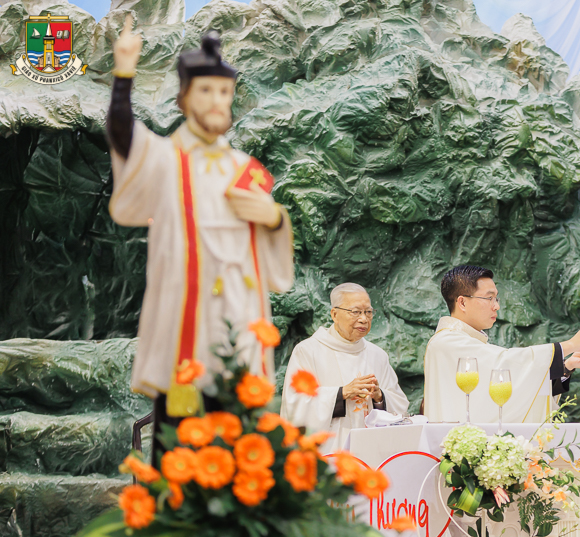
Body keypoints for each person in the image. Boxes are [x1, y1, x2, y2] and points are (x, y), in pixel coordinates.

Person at [106, 22, 293, 452]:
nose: (216, 101)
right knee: (179, 440)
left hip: (239, 320)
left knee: (236, 442)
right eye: (206, 91)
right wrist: (124, 74)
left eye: (224, 92)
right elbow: (124, 137)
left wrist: (274, 219)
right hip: (185, 322)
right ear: (184, 98)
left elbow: (274, 265)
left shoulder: (244, 167)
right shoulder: (165, 157)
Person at [423, 265, 580, 423]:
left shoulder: (462, 341)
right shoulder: (447, 342)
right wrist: (571, 345)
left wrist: (566, 366)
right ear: (462, 302)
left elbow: (509, 386)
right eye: (489, 298)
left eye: (496, 299)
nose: (496, 306)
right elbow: (506, 363)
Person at [280, 283, 408, 453]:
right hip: (329, 451)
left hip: (371, 450)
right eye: (356, 312)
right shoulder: (308, 351)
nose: (364, 319)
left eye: (368, 312)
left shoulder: (378, 355)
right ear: (334, 314)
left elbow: (400, 405)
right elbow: (295, 404)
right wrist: (341, 393)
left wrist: (379, 397)